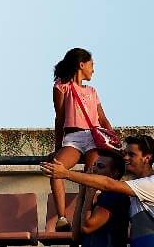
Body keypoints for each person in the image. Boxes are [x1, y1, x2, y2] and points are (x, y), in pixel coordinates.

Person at [41, 135, 154, 247]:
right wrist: (84, 193)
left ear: (147, 158)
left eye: (131, 154)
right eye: (125, 154)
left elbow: (107, 184)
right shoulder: (131, 189)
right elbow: (77, 235)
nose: (126, 158)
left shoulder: (152, 184)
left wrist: (66, 174)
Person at [49, 48, 116, 230]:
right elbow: (60, 118)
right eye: (91, 65)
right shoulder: (62, 86)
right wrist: (57, 147)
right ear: (81, 64)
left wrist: (115, 142)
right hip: (73, 137)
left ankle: (86, 216)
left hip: (93, 138)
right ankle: (62, 218)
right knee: (56, 168)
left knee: (91, 174)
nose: (93, 69)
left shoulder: (92, 91)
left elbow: (102, 119)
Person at [72, 150, 130, 247]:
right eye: (94, 165)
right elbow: (76, 236)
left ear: (114, 173)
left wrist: (90, 195)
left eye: (100, 166)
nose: (94, 169)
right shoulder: (102, 197)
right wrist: (82, 192)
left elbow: (86, 227)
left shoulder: (115, 196)